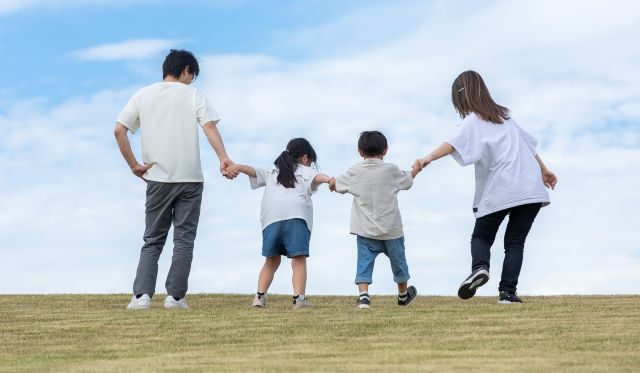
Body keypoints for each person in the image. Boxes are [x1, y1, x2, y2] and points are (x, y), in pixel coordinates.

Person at [413, 70, 557, 304]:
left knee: (481, 236)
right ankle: (507, 293)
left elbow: (451, 143)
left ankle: (480, 267)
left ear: (461, 96)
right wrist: (544, 169)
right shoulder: (505, 116)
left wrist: (426, 158)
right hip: (530, 187)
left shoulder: (473, 120)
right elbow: (528, 146)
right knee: (515, 242)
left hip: (502, 187)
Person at [114, 49, 235, 310]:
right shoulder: (194, 95)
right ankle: (175, 298)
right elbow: (209, 127)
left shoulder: (143, 95)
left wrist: (134, 165)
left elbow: (119, 130)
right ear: (186, 70)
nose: (191, 81)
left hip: (157, 177)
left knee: (153, 239)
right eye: (192, 76)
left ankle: (141, 297)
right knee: (184, 240)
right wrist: (223, 157)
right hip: (190, 179)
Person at [224, 138, 331, 309]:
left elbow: (253, 171)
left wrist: (238, 167)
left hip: (271, 220)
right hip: (296, 216)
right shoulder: (304, 169)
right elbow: (317, 176)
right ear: (305, 158)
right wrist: (330, 180)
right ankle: (299, 299)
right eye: (310, 162)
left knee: (271, 260)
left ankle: (259, 297)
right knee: (298, 259)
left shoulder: (273, 172)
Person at [329, 131, 421, 309]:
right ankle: (403, 295)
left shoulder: (355, 171)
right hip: (391, 230)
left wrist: (332, 183)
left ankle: (364, 297)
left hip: (365, 230)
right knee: (399, 263)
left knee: (364, 263)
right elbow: (407, 180)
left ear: (360, 151)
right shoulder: (391, 170)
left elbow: (337, 184)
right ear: (385, 150)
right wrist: (417, 168)